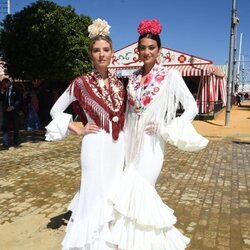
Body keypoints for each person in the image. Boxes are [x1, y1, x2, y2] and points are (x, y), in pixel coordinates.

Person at [107, 19, 209, 249]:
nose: (146, 52)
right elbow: (128, 109)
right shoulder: (132, 77)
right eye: (142, 48)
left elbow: (192, 107)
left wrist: (168, 126)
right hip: (130, 139)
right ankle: (128, 240)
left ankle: (151, 242)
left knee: (142, 187)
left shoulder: (170, 76)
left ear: (159, 50)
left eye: (151, 48)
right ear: (137, 50)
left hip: (153, 142)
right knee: (128, 188)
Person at [45, 18, 126, 250]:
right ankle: (89, 242)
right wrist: (77, 128)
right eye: (96, 50)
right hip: (93, 144)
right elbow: (55, 109)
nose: (101, 55)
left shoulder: (120, 84)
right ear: (90, 54)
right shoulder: (80, 83)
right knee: (93, 191)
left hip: (116, 146)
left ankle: (107, 238)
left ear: (112, 53)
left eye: (106, 50)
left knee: (112, 190)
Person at [0, 78, 22, 148]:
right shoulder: (4, 90)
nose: (4, 86)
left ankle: (16, 143)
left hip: (14, 111)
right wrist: (2, 93)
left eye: (5, 84)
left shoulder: (16, 89)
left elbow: (19, 100)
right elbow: (1, 99)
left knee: (16, 126)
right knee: (5, 127)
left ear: (9, 82)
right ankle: (5, 143)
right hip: (6, 111)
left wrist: (13, 107)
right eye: (3, 85)